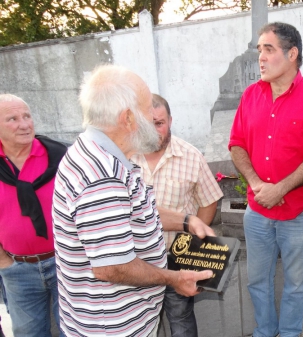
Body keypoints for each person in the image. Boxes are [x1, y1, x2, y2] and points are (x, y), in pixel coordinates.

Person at [52, 64, 215, 337]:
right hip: (113, 328)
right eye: (148, 107)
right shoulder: (102, 177)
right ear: (128, 118)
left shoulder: (105, 155)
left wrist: (187, 220)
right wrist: (174, 279)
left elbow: (139, 211)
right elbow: (113, 267)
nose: (154, 115)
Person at [229, 22, 303, 336]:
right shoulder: (250, 95)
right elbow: (236, 144)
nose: (260, 57)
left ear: (292, 54)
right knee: (256, 281)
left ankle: (289, 333)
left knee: (296, 284)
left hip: (300, 213)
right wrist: (256, 183)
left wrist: (281, 189)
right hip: (258, 211)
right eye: (259, 49)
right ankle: (265, 331)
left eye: (268, 49)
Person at [132, 94, 223, 337]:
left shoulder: (191, 156)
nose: (153, 131)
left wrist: (194, 249)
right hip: (134, 262)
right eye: (147, 124)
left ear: (170, 120)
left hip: (176, 257)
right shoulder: (124, 157)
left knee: (181, 322)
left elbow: (209, 200)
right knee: (137, 325)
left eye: (159, 123)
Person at [0, 94, 66, 337]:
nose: (25, 124)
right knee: (28, 333)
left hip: (65, 263)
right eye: (13, 119)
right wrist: (4, 262)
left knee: (76, 331)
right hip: (18, 270)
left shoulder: (59, 156)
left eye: (27, 116)